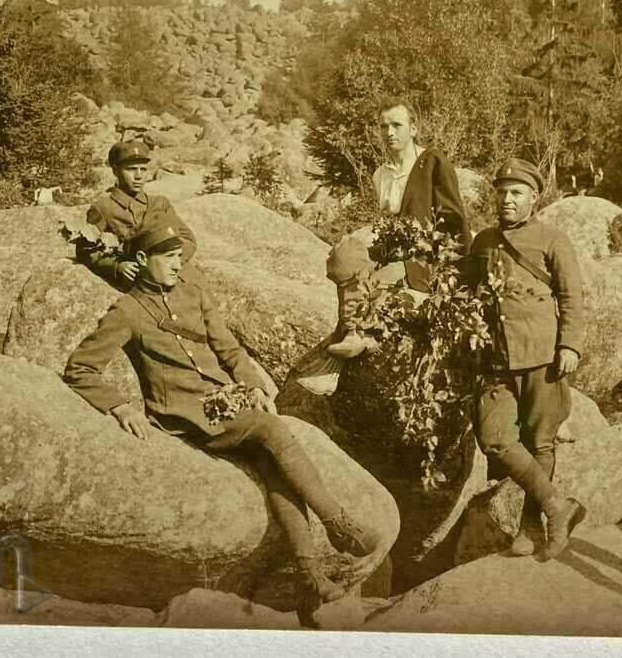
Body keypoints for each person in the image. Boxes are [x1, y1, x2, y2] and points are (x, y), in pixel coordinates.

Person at [64, 223, 382, 625]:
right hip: (184, 415)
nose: (178, 265)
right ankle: (338, 523)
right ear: (143, 261)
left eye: (181, 256)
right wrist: (119, 406)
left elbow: (228, 348)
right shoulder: (127, 310)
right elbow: (80, 368)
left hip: (224, 405)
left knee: (272, 466)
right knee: (272, 431)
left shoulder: (194, 293)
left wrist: (253, 384)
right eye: (168, 258)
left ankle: (311, 576)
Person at [464, 158, 587, 559]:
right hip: (495, 359)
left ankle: (531, 527)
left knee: (540, 442)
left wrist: (569, 345)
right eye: (501, 192)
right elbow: (468, 295)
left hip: (541, 356)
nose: (506, 200)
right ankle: (557, 505)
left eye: (516, 193)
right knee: (496, 440)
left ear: (534, 198)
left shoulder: (553, 239)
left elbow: (571, 296)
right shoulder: (482, 241)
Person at [325, 101, 471, 360]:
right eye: (383, 127)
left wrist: (457, 267)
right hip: (391, 248)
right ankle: (350, 331)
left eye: (396, 125)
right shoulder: (381, 174)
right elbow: (385, 222)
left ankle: (360, 332)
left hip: (424, 255)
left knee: (374, 283)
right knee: (344, 256)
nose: (389, 132)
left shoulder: (432, 162)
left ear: (413, 129)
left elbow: (453, 218)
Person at [77, 140, 197, 290]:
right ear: (115, 170)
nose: (139, 176)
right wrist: (117, 266)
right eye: (131, 169)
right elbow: (85, 252)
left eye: (143, 169)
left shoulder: (160, 204)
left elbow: (188, 240)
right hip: (134, 284)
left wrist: (169, 262)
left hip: (167, 278)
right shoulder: (103, 208)